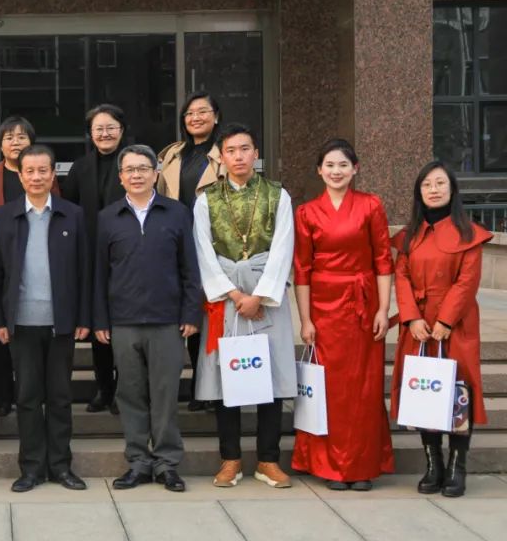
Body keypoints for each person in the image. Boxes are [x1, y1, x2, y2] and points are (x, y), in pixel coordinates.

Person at [192, 124, 297, 489]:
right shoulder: (206, 199)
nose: (238, 156)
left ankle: (268, 459)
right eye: (231, 150)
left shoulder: (277, 195)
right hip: (226, 296)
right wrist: (235, 295)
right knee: (228, 376)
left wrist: (260, 296)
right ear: (221, 157)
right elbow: (202, 251)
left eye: (245, 149)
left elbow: (283, 248)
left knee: (271, 375)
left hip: (267, 296)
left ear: (256, 153)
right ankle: (230, 459)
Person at [95, 145, 201, 493]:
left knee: (165, 395)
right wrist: (100, 320)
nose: (137, 175)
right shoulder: (108, 217)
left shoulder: (177, 213)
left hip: (167, 321)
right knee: (130, 394)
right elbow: (99, 274)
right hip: (123, 322)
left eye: (143, 168)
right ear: (120, 177)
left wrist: (191, 313)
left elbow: (190, 268)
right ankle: (139, 462)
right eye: (130, 169)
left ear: (156, 173)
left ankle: (167, 463)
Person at [291, 139, 395, 490]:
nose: (336, 171)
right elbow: (302, 269)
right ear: (319, 171)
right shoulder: (306, 212)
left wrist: (384, 309)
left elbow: (383, 260)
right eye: (330, 165)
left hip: (363, 306)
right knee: (329, 388)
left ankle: (361, 466)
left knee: (364, 387)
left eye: (343, 165)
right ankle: (327, 465)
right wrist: (306, 319)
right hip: (323, 308)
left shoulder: (371, 205)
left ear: (355, 169)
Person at [0, 144, 89, 492]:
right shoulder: (5, 216)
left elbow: (84, 271)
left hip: (61, 322)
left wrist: (83, 317)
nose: (36, 177)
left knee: (60, 396)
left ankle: (60, 466)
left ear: (53, 173)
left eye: (43, 170)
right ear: (20, 175)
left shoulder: (72, 214)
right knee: (28, 397)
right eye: (29, 171)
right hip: (22, 323)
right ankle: (31, 468)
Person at [391, 161, 491, 498]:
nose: (433, 190)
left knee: (459, 391)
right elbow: (401, 276)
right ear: (418, 192)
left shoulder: (469, 233)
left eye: (440, 183)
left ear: (452, 189)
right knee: (425, 390)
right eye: (427, 185)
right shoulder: (411, 235)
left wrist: (446, 320)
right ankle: (433, 464)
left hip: (456, 324)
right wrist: (411, 318)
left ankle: (457, 466)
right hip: (419, 325)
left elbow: (467, 281)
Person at [0, 116, 61, 418]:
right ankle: (3, 394)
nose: (15, 141)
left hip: (38, 264)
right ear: (0, 144)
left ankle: (35, 392)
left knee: (29, 334)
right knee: (1, 329)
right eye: (9, 137)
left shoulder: (44, 176)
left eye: (22, 136)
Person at [156, 92, 226, 411]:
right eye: (189, 113)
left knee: (208, 318)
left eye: (202, 111)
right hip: (174, 242)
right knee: (182, 315)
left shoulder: (225, 153)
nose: (195, 118)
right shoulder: (172, 154)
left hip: (212, 244)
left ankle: (207, 388)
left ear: (216, 116)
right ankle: (181, 387)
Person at [63, 104, 129, 414]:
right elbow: (69, 209)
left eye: (111, 127)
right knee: (98, 323)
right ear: (90, 134)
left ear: (122, 131)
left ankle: (125, 389)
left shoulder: (132, 163)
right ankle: (104, 388)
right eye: (98, 129)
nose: (105, 133)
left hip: (128, 254)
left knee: (124, 325)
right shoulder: (80, 167)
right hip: (91, 255)